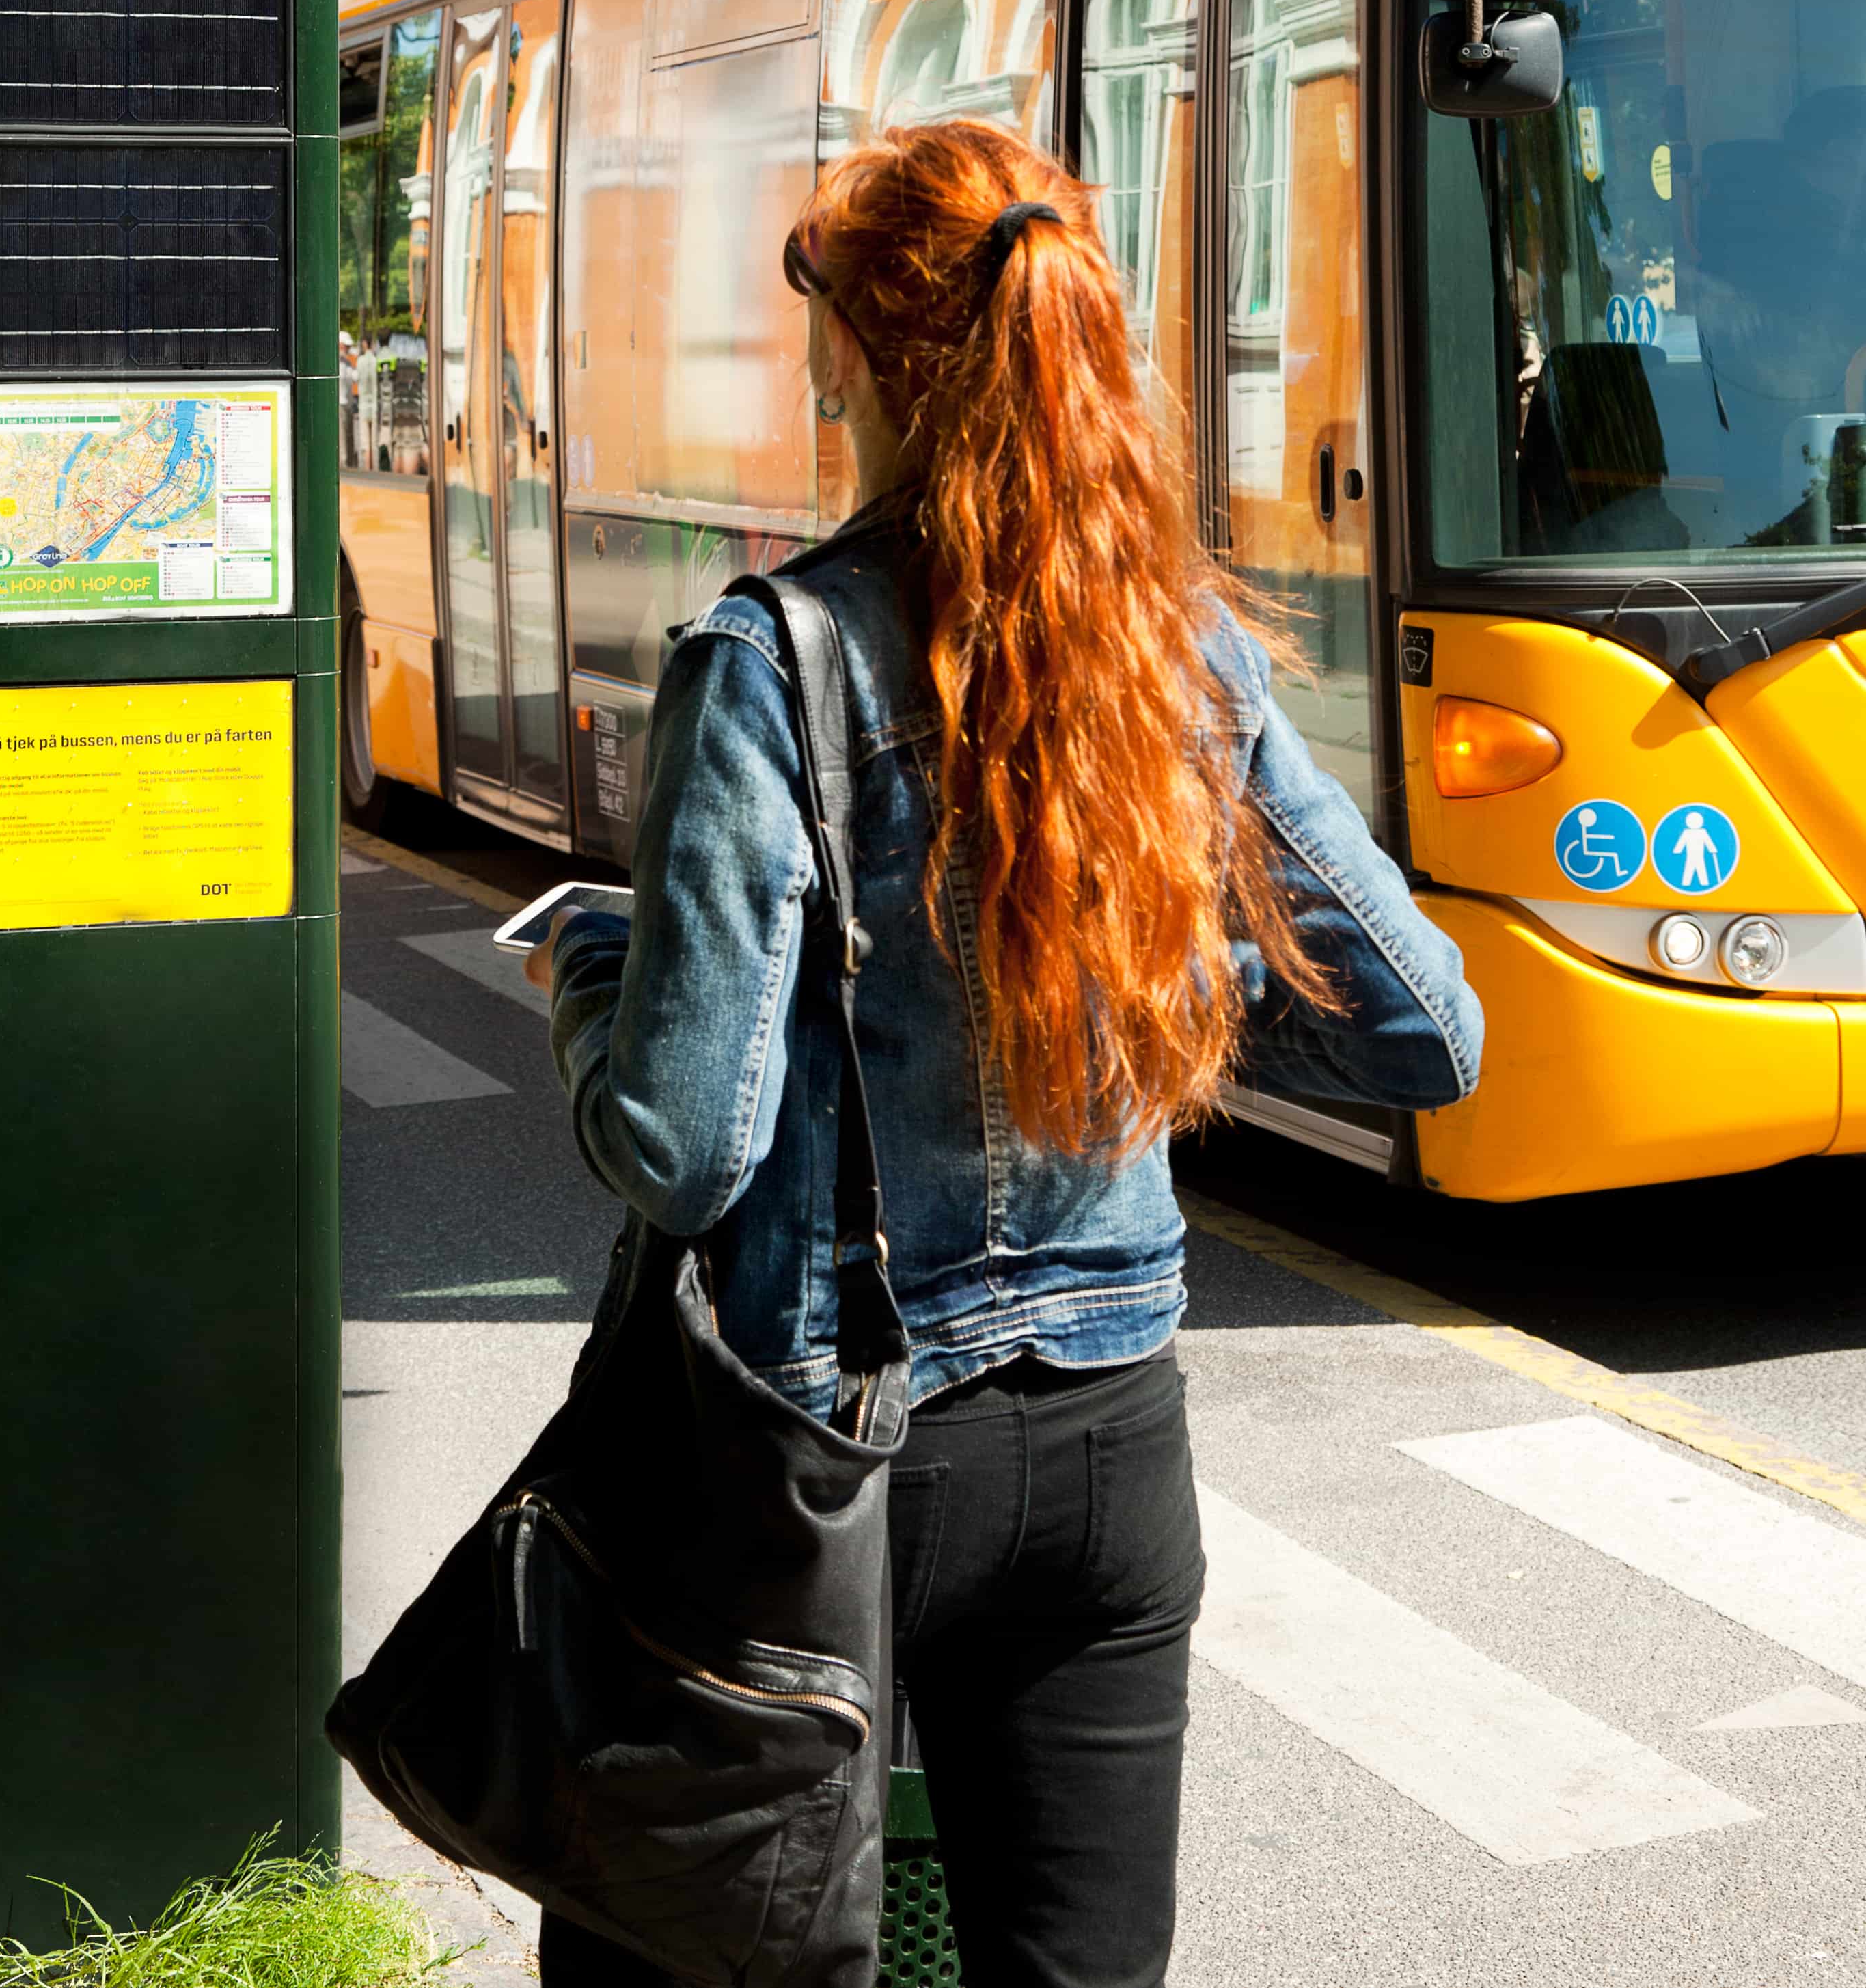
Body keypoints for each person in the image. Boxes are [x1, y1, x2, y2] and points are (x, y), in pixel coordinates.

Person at [531, 120, 1480, 1988]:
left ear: (873, 357)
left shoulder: (774, 657)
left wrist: (590, 976)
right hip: (1115, 1452)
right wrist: (1151, 978)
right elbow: (1420, 1023)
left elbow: (686, 1146)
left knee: (688, 1956)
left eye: (819, 331)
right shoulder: (1177, 652)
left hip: (833, 1452)